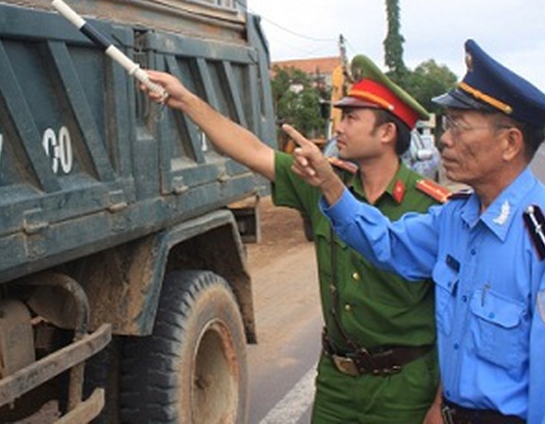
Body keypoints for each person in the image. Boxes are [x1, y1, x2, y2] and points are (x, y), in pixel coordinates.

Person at [286, 39, 545, 424]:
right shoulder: (455, 218)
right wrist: (332, 186)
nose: (444, 138)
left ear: (509, 143)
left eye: (459, 125)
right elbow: (388, 244)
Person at [144, 55, 447, 424]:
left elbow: (454, 318)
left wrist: (439, 403)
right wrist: (186, 100)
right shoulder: (321, 180)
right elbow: (252, 150)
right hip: (338, 384)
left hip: (406, 388)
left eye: (351, 118)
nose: (339, 128)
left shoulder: (432, 208)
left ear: (386, 133)